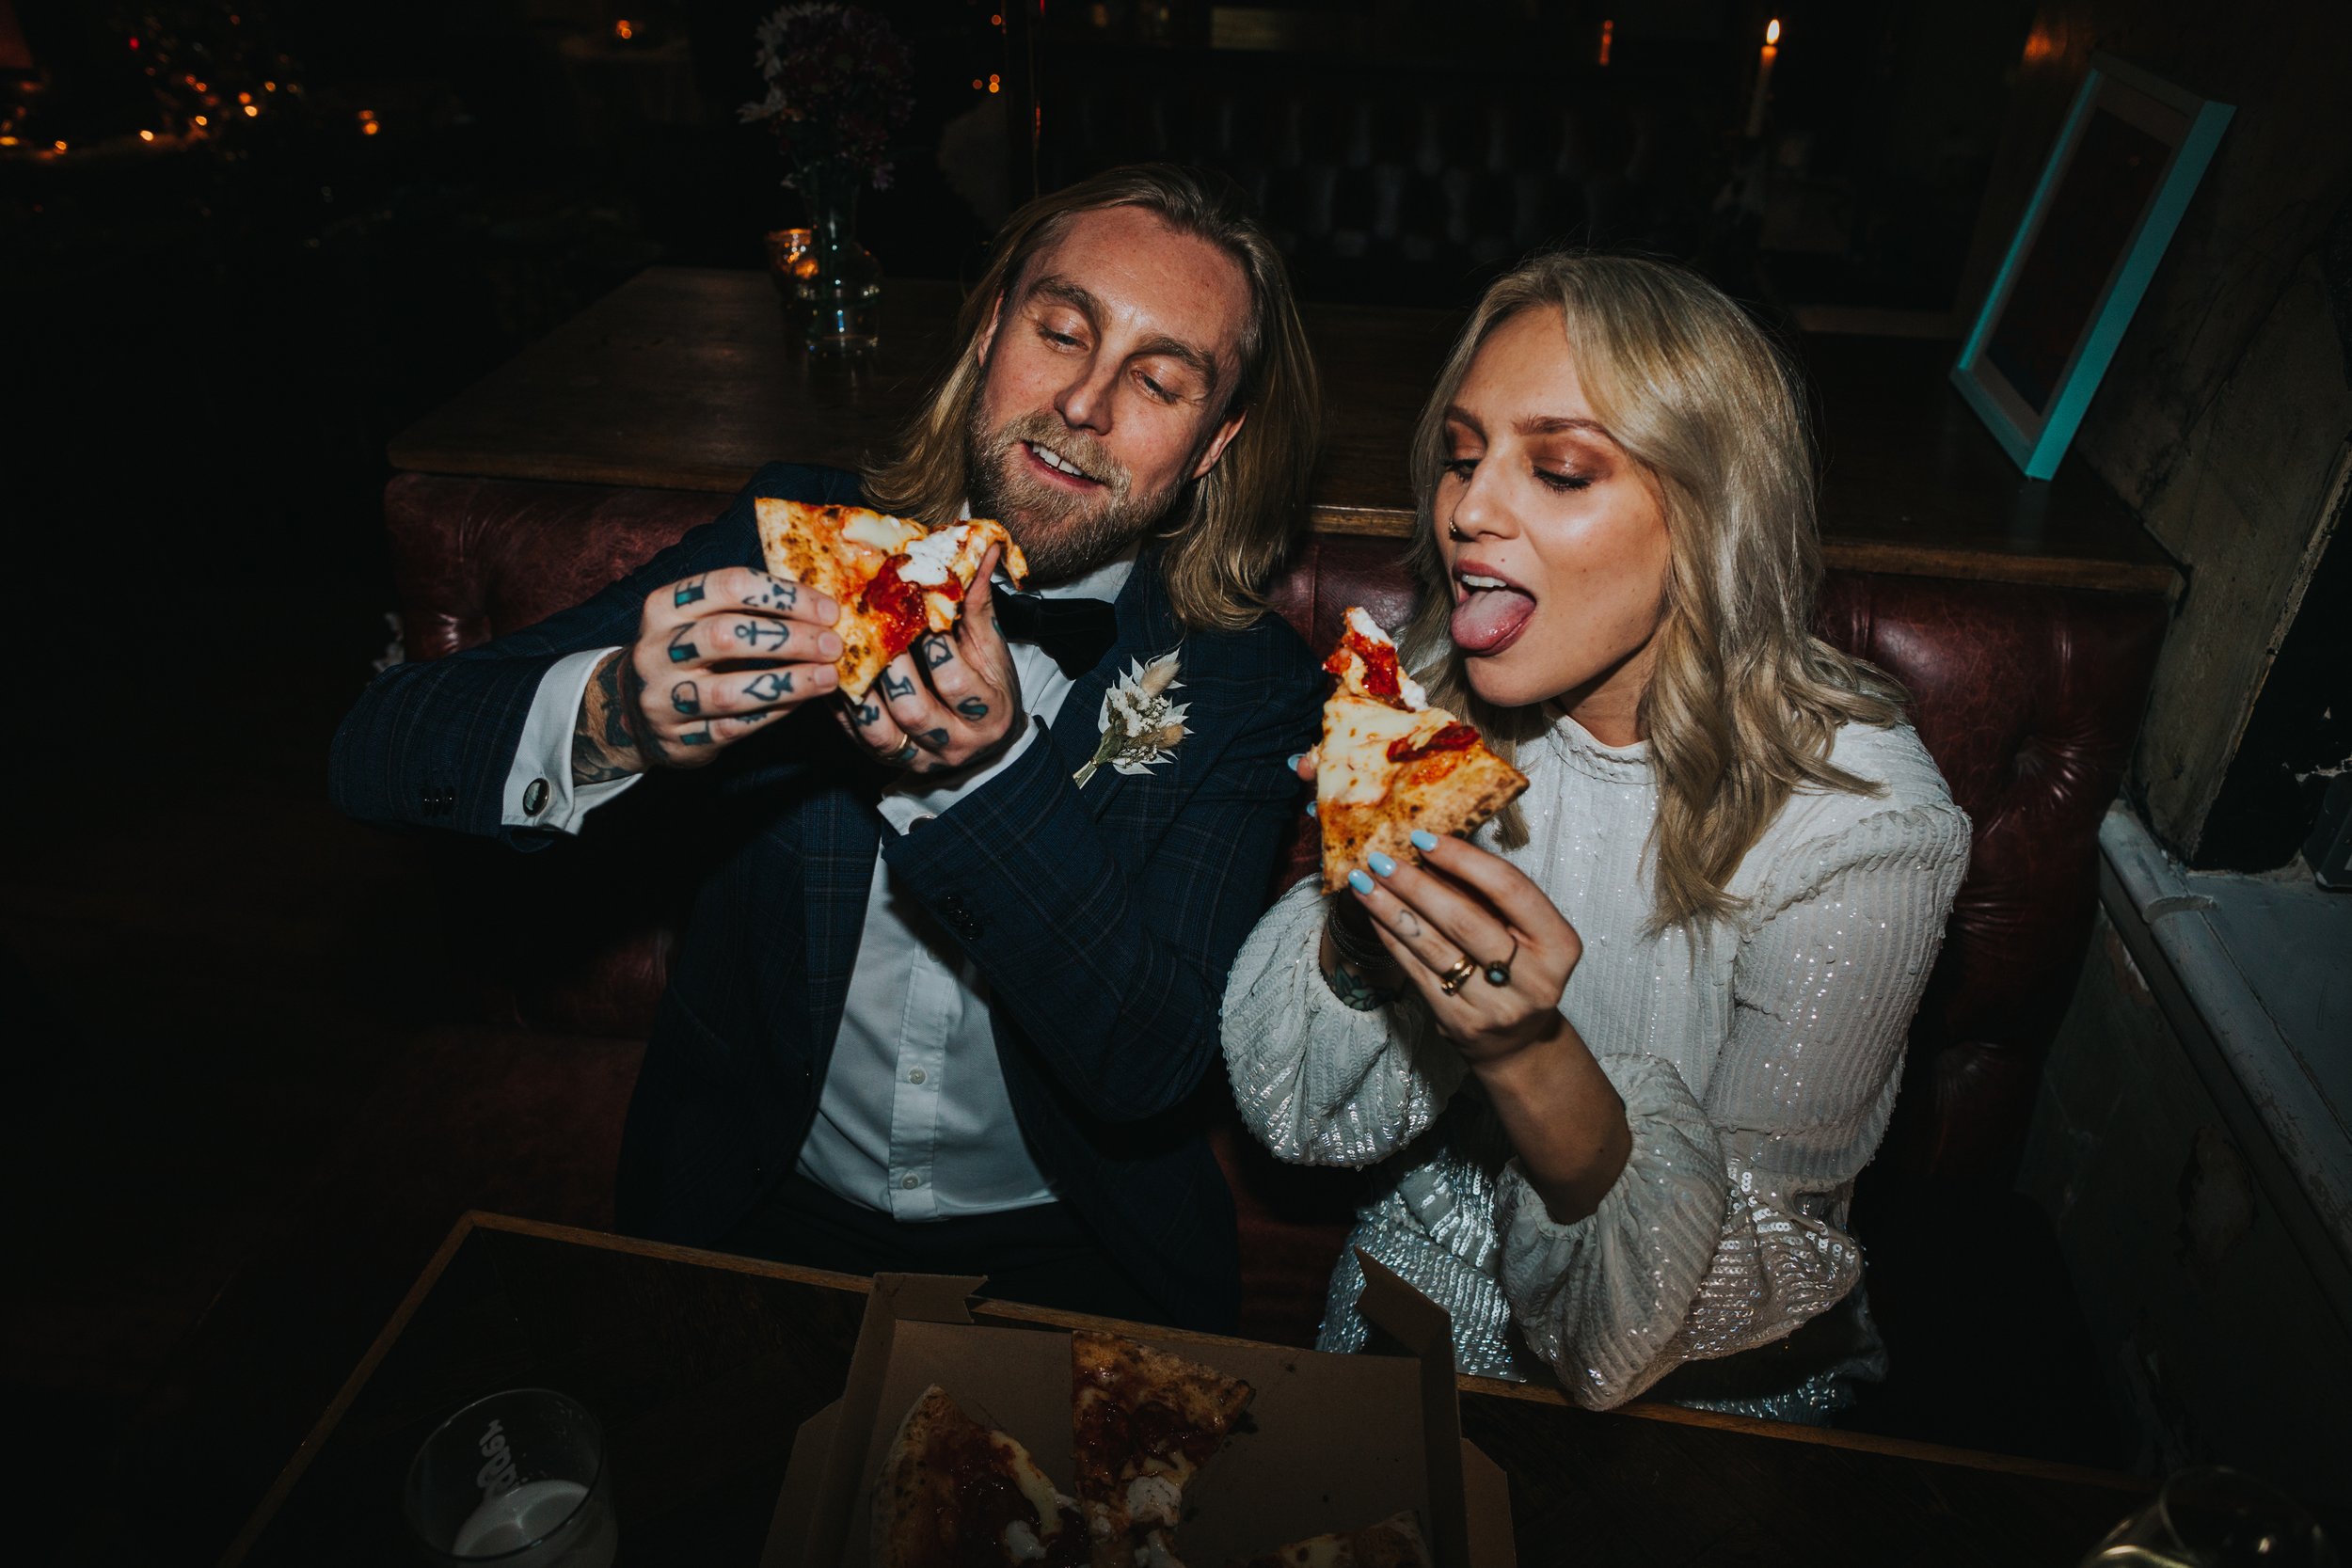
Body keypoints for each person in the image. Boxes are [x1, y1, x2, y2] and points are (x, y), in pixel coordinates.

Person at [333, 165, 1324, 1334]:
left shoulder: (1246, 682)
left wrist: (982, 775)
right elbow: (380, 755)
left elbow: (1147, 1062)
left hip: (1075, 1245)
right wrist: (616, 713)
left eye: (1159, 381)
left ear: (1212, 443)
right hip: (754, 1203)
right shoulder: (790, 540)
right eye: (1060, 331)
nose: (1084, 405)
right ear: (991, 326)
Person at [1219, 252, 1969, 1417]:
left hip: (1702, 1389)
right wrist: (1365, 931)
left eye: (1559, 469)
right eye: (1462, 457)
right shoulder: (1425, 707)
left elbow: (1725, 1288)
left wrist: (1526, 1054)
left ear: (1712, 512)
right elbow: (1298, 1115)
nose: (1468, 508)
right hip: (1405, 1300)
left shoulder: (1862, 826)